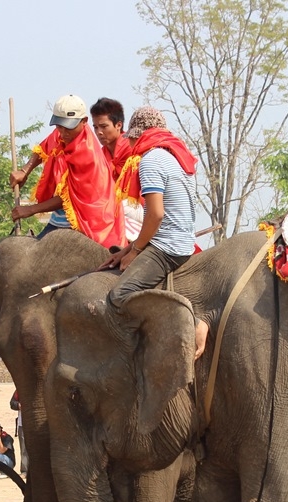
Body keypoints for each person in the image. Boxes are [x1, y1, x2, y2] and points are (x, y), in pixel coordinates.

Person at [101, 106, 207, 357]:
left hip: (167, 248)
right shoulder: (174, 155)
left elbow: (156, 215)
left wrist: (135, 251)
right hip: (178, 240)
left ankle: (193, 324)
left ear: (139, 135)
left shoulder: (150, 160)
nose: (130, 144)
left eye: (132, 138)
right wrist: (126, 250)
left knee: (119, 295)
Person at [10, 94, 125, 249]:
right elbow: (43, 148)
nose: (63, 132)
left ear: (84, 121)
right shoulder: (62, 133)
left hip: (89, 221)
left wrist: (30, 209)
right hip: (60, 218)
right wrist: (24, 171)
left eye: (69, 127)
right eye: (59, 126)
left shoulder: (88, 154)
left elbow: (68, 197)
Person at [91, 98, 132, 181]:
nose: (99, 132)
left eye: (104, 126)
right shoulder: (100, 156)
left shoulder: (132, 148)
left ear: (118, 125)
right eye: (96, 127)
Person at [9, 390, 28, 475]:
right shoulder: (20, 389)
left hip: (38, 424)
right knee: (24, 448)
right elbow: (12, 403)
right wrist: (18, 405)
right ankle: (24, 470)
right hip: (22, 424)